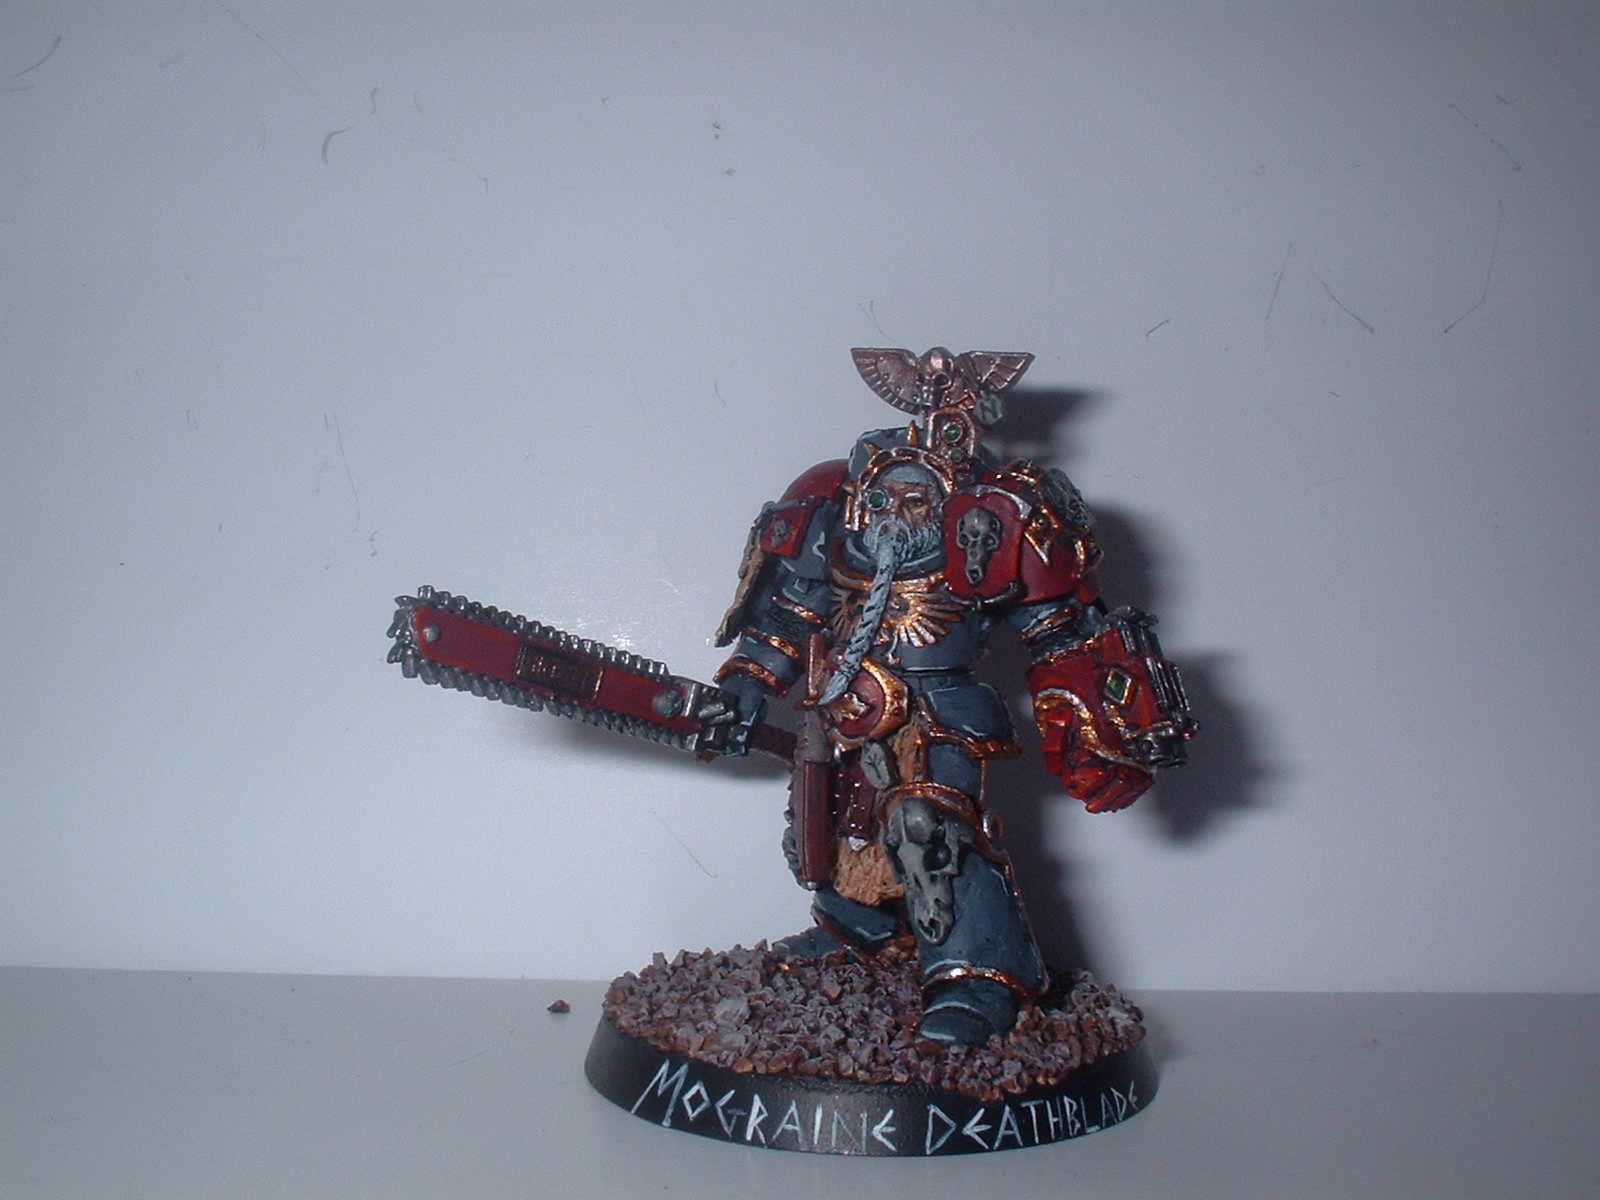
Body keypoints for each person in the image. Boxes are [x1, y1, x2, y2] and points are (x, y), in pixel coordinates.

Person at [712, 347, 1195, 1045]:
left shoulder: (989, 526)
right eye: (882, 500)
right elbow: (787, 618)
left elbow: (1057, 629)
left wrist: (1097, 715)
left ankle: (978, 977)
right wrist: (746, 686)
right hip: (846, 708)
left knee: (932, 831)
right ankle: (858, 930)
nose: (895, 514)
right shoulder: (833, 520)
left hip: (943, 714)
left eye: (915, 502)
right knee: (840, 822)